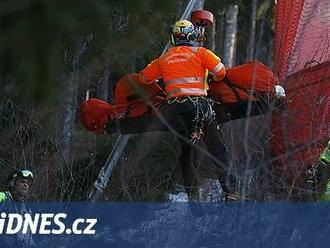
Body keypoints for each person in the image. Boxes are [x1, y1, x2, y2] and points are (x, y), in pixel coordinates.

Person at [138, 20, 237, 200]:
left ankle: (193, 197)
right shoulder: (201, 53)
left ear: (173, 38)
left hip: (175, 111)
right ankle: (231, 192)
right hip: (199, 107)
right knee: (217, 149)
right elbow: (221, 72)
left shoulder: (164, 58)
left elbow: (144, 78)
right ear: (192, 36)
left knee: (187, 153)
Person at [0, 169, 36, 247]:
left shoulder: (27, 208)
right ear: (12, 184)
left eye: (27, 183)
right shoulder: (2, 197)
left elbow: (28, 237)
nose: (25, 185)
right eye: (22, 182)